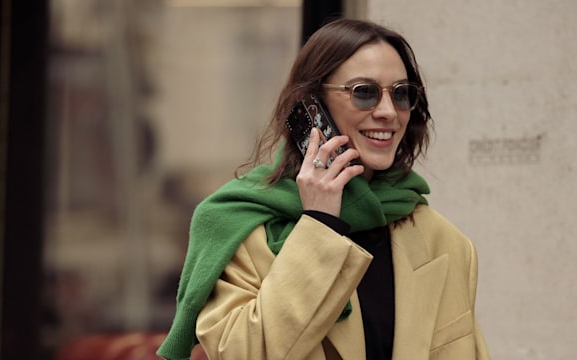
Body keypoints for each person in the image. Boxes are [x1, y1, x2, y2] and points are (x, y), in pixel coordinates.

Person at [157, 18, 490, 360]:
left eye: (402, 94)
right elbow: (245, 353)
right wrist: (320, 226)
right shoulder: (243, 227)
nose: (389, 112)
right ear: (311, 106)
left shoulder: (445, 244)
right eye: (364, 93)